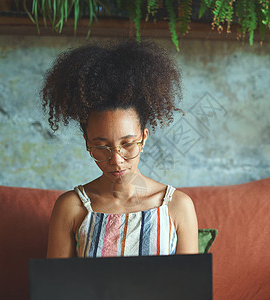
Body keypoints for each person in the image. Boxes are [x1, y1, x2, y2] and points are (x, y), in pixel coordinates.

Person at [41, 40, 199, 258]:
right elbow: (55, 289)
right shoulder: (72, 207)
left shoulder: (177, 206)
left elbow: (190, 289)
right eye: (102, 146)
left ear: (143, 138)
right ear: (87, 142)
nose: (115, 159)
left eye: (127, 144)